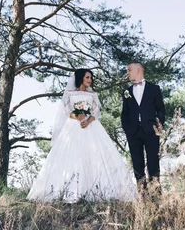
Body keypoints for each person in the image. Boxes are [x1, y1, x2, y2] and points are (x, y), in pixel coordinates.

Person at [27, 68, 138, 203]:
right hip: (73, 126)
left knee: (96, 156)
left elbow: (97, 111)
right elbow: (66, 109)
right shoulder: (69, 93)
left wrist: (88, 120)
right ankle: (70, 191)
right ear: (80, 78)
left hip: (91, 126)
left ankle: (98, 191)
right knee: (73, 156)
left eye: (91, 78)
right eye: (87, 77)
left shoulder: (93, 95)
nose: (90, 80)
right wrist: (78, 118)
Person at [121, 61, 166, 194]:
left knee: (153, 163)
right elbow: (125, 113)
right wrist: (127, 130)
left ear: (138, 70)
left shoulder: (154, 89)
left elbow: (161, 109)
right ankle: (142, 195)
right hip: (133, 132)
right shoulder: (127, 92)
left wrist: (159, 126)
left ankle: (156, 196)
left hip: (151, 131)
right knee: (137, 165)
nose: (127, 72)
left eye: (129, 70)